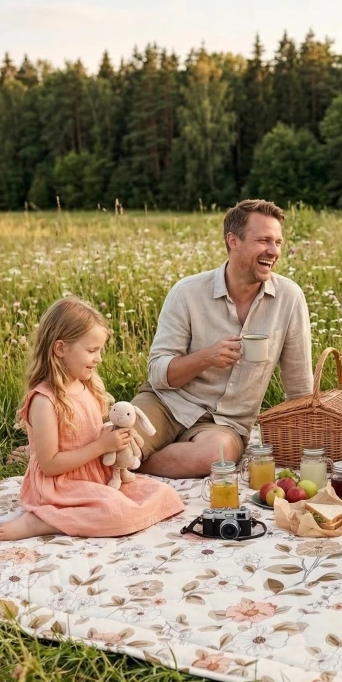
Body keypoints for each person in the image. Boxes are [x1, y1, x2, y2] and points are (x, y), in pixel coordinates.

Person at [132, 199, 313, 478]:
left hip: (227, 424)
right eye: (264, 240)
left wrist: (309, 446)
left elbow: (299, 387)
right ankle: (133, 452)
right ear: (233, 241)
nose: (274, 251)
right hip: (167, 403)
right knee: (118, 439)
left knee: (214, 458)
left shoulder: (289, 298)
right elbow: (158, 374)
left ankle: (134, 463)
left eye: (278, 242)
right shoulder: (187, 292)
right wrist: (206, 358)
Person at [0, 297, 184, 542]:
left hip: (97, 476)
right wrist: (101, 446)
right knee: (119, 514)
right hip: (60, 485)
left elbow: (86, 432)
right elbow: (50, 465)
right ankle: (43, 520)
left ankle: (76, 513)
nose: (99, 358)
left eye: (99, 350)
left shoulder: (85, 386)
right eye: (91, 351)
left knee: (165, 495)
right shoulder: (44, 400)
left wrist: (111, 437)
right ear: (60, 349)